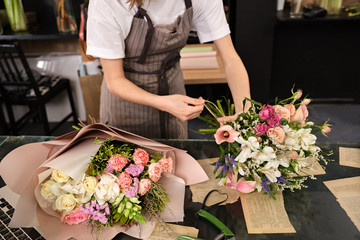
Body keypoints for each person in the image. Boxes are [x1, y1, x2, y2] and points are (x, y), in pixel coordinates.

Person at [86, 0, 250, 139]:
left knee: (178, 166)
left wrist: (246, 115)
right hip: (125, 102)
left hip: (173, 90)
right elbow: (115, 80)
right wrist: (164, 103)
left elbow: (230, 59)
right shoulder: (107, 3)